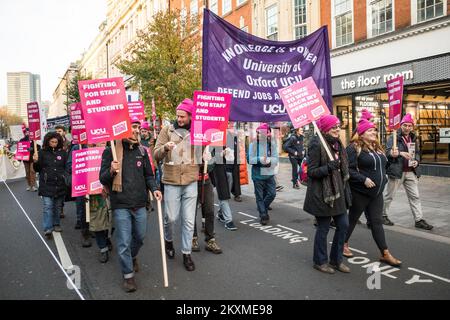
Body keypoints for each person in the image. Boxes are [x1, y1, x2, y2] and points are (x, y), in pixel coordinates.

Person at [99, 118, 162, 292]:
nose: (136, 131)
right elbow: (102, 178)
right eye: (133, 127)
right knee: (124, 242)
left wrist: (155, 189)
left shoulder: (142, 150)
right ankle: (128, 276)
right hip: (120, 204)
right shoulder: (109, 151)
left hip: (140, 203)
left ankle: (132, 257)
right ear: (123, 129)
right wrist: (111, 170)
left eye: (138, 128)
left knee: (140, 238)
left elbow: (149, 175)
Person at [344, 119, 401, 267]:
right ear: (361, 134)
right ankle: (343, 243)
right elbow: (347, 169)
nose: (374, 132)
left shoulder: (377, 147)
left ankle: (385, 253)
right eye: (370, 130)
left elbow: (384, 166)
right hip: (360, 192)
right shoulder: (353, 148)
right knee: (352, 219)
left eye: (375, 130)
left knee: (377, 222)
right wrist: (363, 179)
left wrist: (393, 157)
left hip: (377, 193)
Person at [154, 98, 199, 272]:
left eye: (182, 116)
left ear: (190, 116)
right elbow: (155, 154)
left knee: (188, 221)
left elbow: (202, 151)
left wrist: (209, 152)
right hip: (172, 180)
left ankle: (187, 253)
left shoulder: (198, 130)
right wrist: (165, 148)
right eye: (177, 116)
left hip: (191, 180)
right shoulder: (167, 130)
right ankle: (168, 240)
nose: (179, 119)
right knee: (171, 218)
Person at [303, 115, 351, 274]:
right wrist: (328, 167)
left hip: (337, 192)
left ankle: (336, 260)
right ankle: (320, 261)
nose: (337, 129)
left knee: (343, 225)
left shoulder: (337, 143)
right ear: (324, 129)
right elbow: (311, 172)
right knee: (323, 228)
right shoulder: (317, 144)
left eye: (338, 126)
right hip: (323, 194)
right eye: (333, 127)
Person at [382, 113, 433, 230]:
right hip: (396, 171)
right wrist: (398, 153)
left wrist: (416, 161)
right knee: (389, 196)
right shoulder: (393, 137)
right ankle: (383, 215)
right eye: (405, 125)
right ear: (401, 125)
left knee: (415, 196)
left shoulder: (414, 137)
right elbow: (387, 152)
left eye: (410, 126)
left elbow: (417, 153)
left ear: (412, 126)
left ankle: (419, 219)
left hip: (411, 171)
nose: (407, 128)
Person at [33, 132, 68, 238]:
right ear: (47, 141)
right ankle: (48, 228)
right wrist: (35, 161)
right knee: (48, 207)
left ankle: (56, 224)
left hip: (60, 184)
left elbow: (66, 167)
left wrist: (65, 177)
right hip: (46, 184)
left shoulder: (63, 153)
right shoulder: (42, 152)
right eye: (52, 142)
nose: (54, 144)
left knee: (57, 207)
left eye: (56, 142)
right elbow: (37, 169)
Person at [192, 148, 223, 254]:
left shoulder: (208, 146)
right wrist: (199, 160)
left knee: (209, 210)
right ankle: (193, 238)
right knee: (191, 212)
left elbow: (211, 167)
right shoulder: (189, 140)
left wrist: (210, 160)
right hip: (192, 181)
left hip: (206, 180)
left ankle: (210, 240)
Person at [248, 123, 278, 225]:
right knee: (259, 197)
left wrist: (270, 161)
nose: (258, 135)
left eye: (260, 133)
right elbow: (249, 159)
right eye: (257, 133)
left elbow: (276, 158)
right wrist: (260, 159)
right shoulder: (253, 145)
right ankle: (263, 215)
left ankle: (262, 208)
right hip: (257, 176)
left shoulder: (272, 144)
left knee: (272, 194)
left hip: (269, 174)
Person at [212, 146, 238, 231]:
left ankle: (220, 213)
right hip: (218, 170)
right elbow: (208, 159)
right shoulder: (211, 139)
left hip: (229, 170)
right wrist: (220, 155)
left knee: (226, 194)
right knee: (224, 195)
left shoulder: (227, 137)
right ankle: (228, 220)